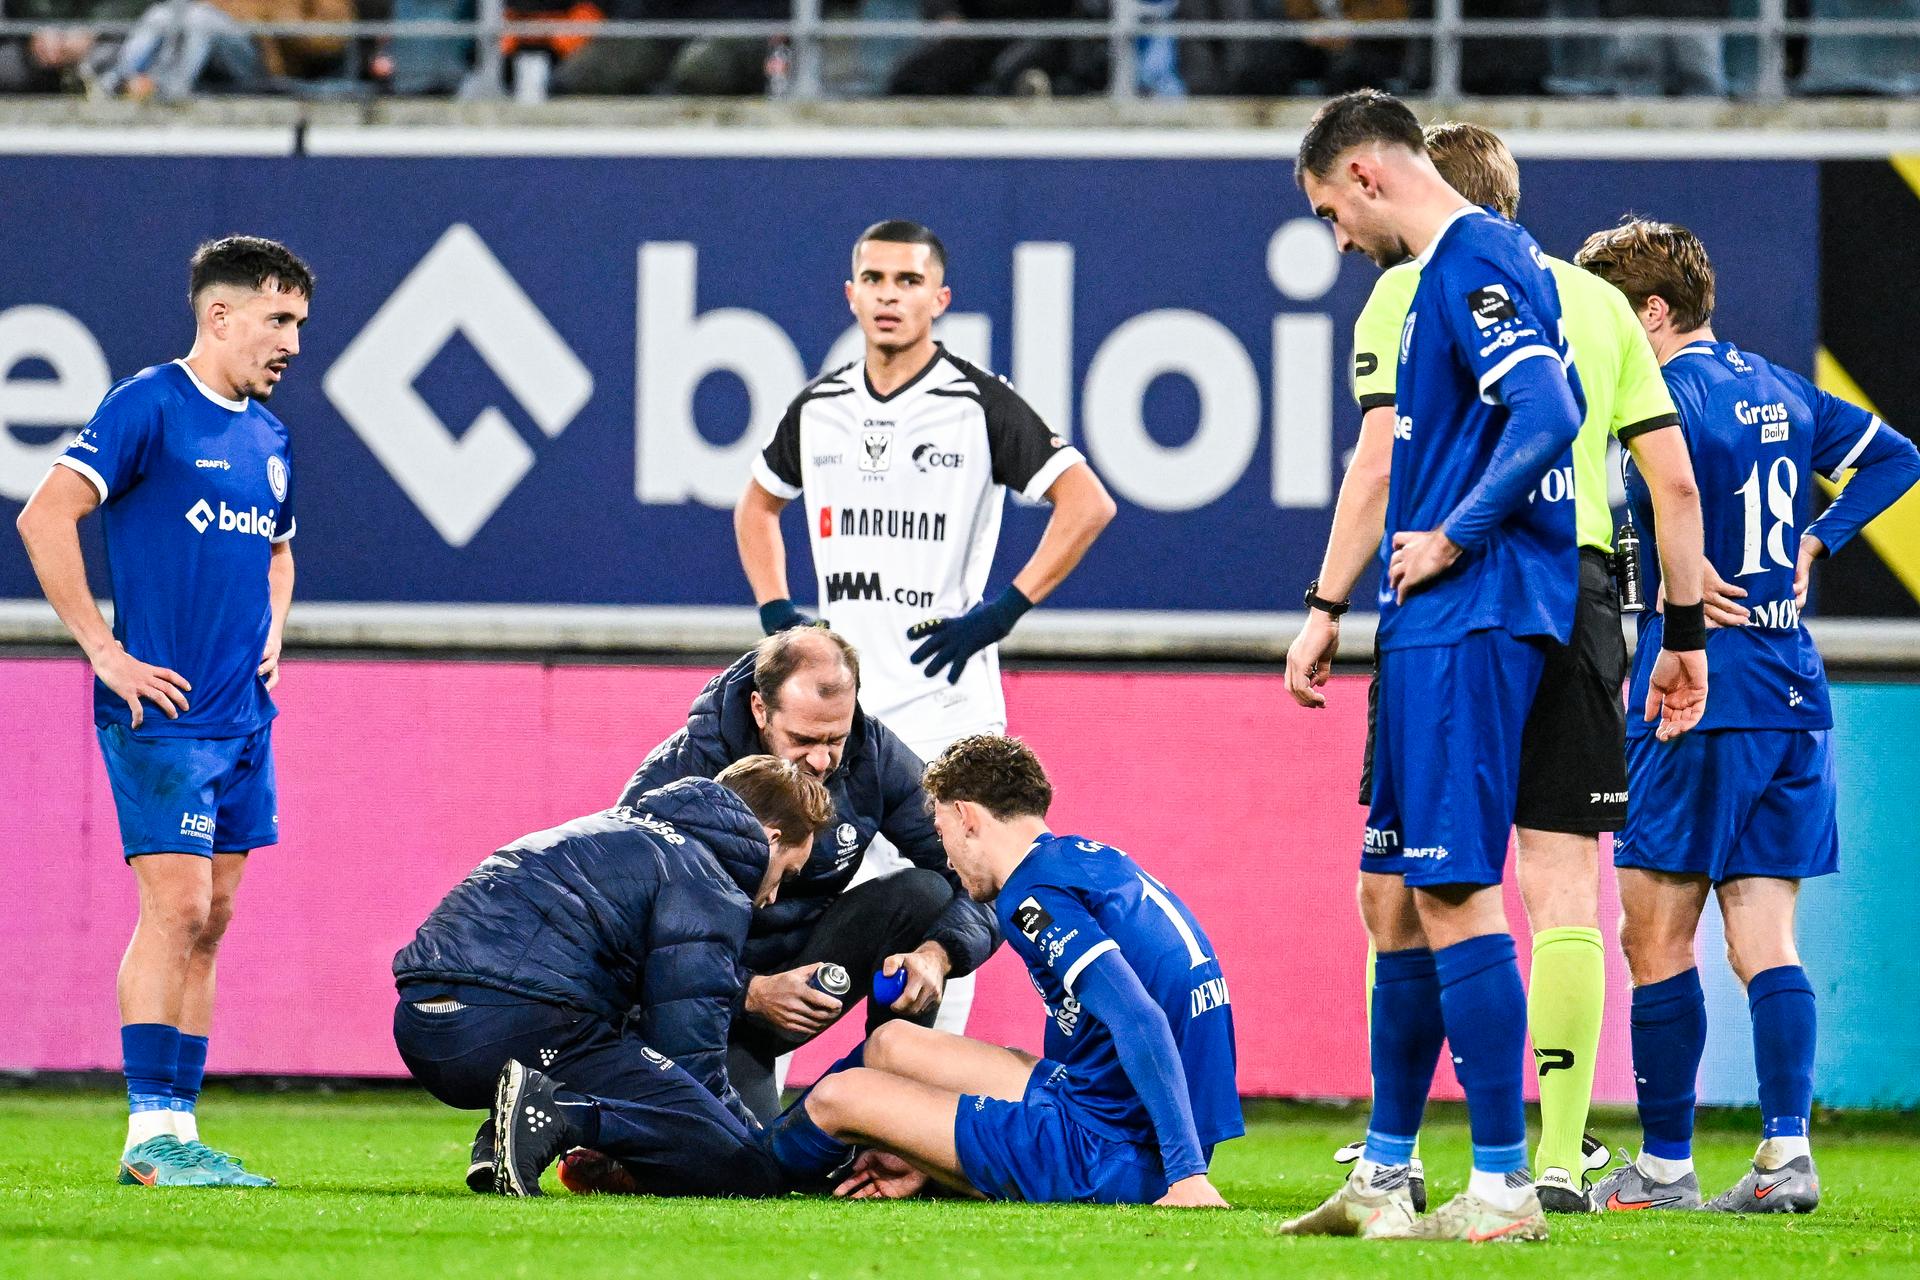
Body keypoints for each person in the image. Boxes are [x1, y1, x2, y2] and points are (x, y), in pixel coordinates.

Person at [1286, 119, 1714, 1214]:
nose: (1336, 239)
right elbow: (1664, 480)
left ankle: (1496, 1174)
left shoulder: (1456, 265)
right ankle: (1430, 1162)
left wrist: (1444, 539)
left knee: (1442, 886)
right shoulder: (1572, 285)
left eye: (1332, 211)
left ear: (1371, 175)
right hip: (1570, 604)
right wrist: (1680, 631)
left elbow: (1531, 415)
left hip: (1470, 607)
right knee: (1462, 881)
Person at [1575, 220, 1920, 1215]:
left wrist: (1676, 598)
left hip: (1701, 686)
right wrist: (1818, 539)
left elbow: (1665, 494)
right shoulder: (1778, 385)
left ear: (1649, 312)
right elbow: (1897, 457)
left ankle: (1671, 1164)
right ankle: (1783, 1154)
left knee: (1657, 932)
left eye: (1608, 314)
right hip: (1794, 688)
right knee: (1766, 936)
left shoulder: (1660, 394)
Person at [735, 218, 1115, 1040]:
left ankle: (920, 1102)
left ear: (939, 299)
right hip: (846, 719)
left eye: (908, 282)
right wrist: (777, 617)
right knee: (805, 888)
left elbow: (1087, 502)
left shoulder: (977, 401)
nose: (889, 296)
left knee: (954, 893)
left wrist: (1000, 612)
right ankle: (781, 1084)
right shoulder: (822, 404)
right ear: (851, 294)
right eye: (874, 279)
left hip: (947, 706)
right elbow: (757, 504)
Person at [15, 236, 311, 1189]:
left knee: (214, 917)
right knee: (176, 905)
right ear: (219, 316)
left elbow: (277, 551)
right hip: (164, 715)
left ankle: (178, 1127)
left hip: (242, 715)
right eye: (279, 320)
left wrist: (276, 628)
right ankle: (148, 1135)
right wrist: (104, 649)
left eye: (299, 323)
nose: (293, 343)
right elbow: (43, 515)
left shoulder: (269, 437)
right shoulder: (149, 404)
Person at [752, 734, 1240, 1207]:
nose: (944, 857)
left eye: (942, 834)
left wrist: (1186, 1176)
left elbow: (1140, 1018)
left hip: (1112, 1149)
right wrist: (931, 1148)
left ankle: (744, 1168)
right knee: (890, 1043)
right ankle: (910, 1151)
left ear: (966, 817)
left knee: (841, 1096)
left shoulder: (1031, 899)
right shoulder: (1084, 859)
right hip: (1115, 1106)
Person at [394, 758, 834, 1196]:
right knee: (746, 1168)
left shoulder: (617, 825)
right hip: (513, 1023)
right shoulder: (705, 879)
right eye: (786, 874)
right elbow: (691, 1059)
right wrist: (760, 1147)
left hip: (422, 1025)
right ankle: (558, 1112)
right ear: (772, 840)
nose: (773, 896)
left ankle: (514, 1127)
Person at [621, 628, 1000, 1122]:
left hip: (798, 975)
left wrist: (938, 954)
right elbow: (625, 937)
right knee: (741, 1172)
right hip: (699, 1006)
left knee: (924, 894)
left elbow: (986, 874)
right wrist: (750, 992)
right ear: (760, 710)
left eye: (834, 739)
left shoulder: (875, 755)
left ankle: (895, 1119)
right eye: (802, 739)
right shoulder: (679, 777)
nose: (822, 760)